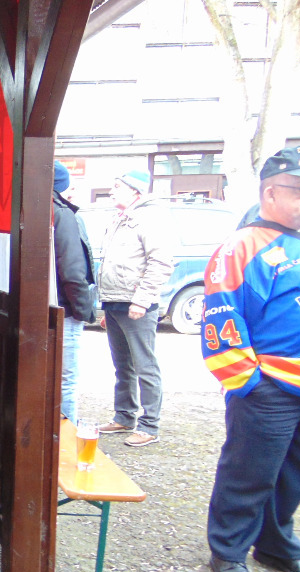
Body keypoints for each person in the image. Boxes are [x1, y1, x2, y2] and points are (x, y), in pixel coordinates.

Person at [202, 146, 300, 572]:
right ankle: (228, 550)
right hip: (269, 387)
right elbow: (221, 318)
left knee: (293, 475)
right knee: (249, 473)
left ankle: (276, 545)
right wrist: (249, 383)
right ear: (270, 193)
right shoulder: (242, 246)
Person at [96, 169, 174, 447]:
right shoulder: (120, 218)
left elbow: (161, 262)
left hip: (136, 304)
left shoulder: (150, 218)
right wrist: (107, 305)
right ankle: (124, 416)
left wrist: (142, 299)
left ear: (135, 191)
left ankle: (149, 425)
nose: (112, 191)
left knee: (144, 365)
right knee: (122, 366)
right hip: (115, 302)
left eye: (118, 186)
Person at [53, 161, 96, 422]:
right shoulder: (63, 213)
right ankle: (65, 437)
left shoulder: (37, 208)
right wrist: (83, 311)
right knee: (66, 380)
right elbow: (72, 270)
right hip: (65, 310)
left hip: (48, 305)